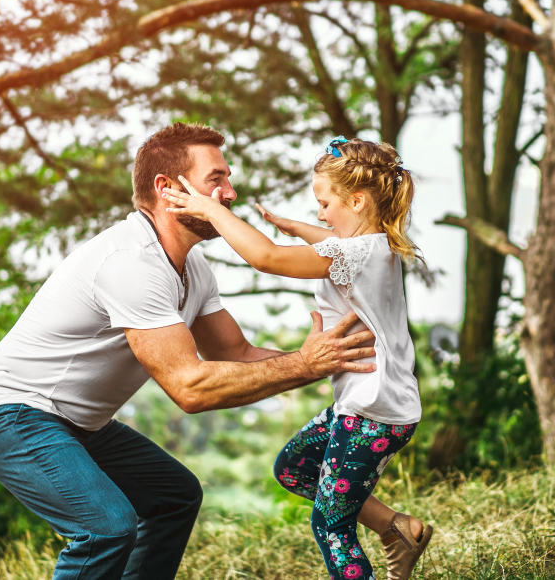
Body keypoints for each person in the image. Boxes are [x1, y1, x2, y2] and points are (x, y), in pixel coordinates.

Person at [0, 123, 379, 580]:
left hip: (78, 422)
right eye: (216, 179)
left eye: (227, 179)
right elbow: (190, 388)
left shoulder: (192, 266)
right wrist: (305, 364)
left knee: (174, 496)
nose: (231, 193)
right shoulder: (130, 262)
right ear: (166, 187)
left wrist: (331, 361)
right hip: (8, 414)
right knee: (105, 530)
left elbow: (236, 352)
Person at [164, 136, 433, 580]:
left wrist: (213, 210)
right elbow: (335, 240)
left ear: (358, 200)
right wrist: (296, 227)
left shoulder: (354, 255)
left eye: (324, 204)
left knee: (330, 524)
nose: (321, 214)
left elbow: (266, 258)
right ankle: (400, 529)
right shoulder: (378, 244)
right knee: (294, 468)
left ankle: (386, 544)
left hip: (374, 410)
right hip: (366, 404)